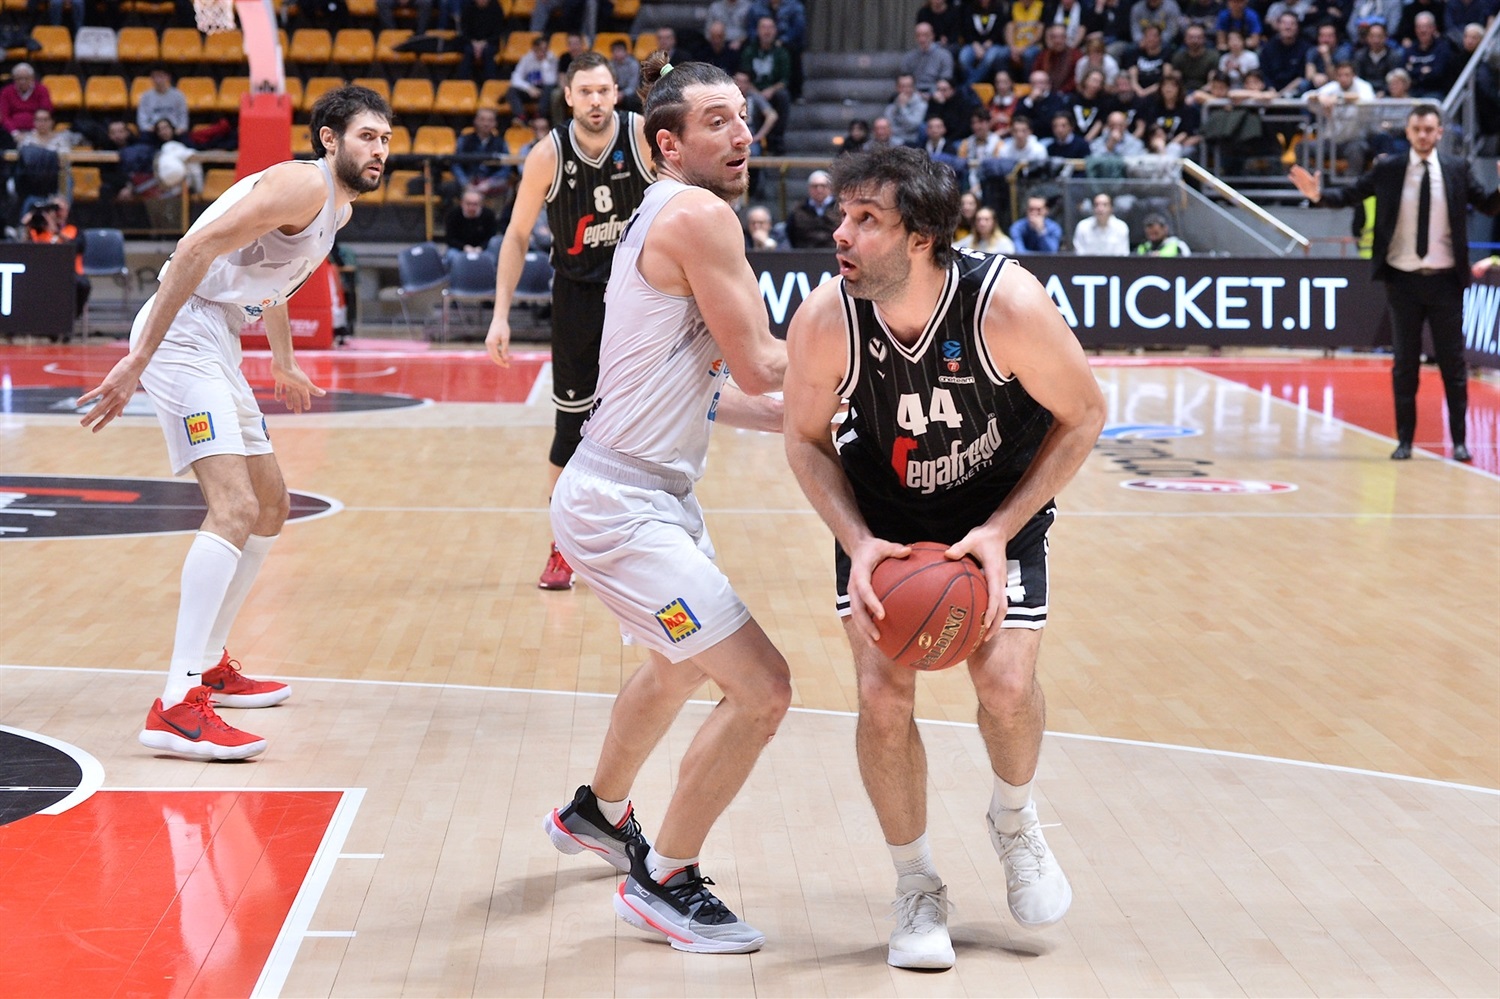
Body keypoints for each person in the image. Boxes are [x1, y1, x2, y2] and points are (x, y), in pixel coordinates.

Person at [781, 145, 1105, 971]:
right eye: (842, 216)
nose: (840, 234)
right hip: (883, 522)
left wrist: (1000, 530)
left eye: (866, 221)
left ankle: (1015, 820)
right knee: (881, 697)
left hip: (997, 511)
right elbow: (805, 441)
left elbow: (1086, 415)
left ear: (922, 236)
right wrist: (856, 542)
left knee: (1002, 685)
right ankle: (915, 883)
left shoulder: (1007, 306)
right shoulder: (826, 318)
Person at [542, 55, 790, 955]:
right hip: (620, 502)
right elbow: (765, 363)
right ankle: (665, 879)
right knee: (763, 688)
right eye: (719, 120)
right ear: (667, 143)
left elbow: (729, 390)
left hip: (642, 488)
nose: (743, 134)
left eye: (745, 117)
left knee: (678, 662)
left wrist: (830, 414)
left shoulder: (660, 211)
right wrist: (877, 367)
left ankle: (599, 814)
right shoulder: (698, 215)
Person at [75, 85, 392, 760]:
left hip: (216, 336)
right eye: (368, 136)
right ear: (331, 140)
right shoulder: (298, 185)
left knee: (272, 504)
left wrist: (282, 358)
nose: (380, 150)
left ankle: (211, 660)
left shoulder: (336, 206)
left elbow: (270, 284)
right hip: (181, 330)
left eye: (387, 139)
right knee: (233, 504)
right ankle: (175, 702)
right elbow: (194, 249)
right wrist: (140, 357)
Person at [485, 52, 654, 590]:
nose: (597, 101)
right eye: (586, 92)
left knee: (650, 428)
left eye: (604, 90)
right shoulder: (548, 154)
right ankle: (562, 547)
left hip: (642, 299)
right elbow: (515, 235)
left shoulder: (644, 135)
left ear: (616, 92)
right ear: (569, 96)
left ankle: (650, 539)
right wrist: (500, 316)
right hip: (578, 298)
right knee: (570, 432)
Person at [1289, 104, 1500, 462]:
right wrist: (1317, 196)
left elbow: (1487, 205)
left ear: (1440, 133)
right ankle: (1404, 440)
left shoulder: (1456, 169)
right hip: (1402, 280)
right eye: (1416, 129)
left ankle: (1460, 441)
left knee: (1452, 362)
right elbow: (1350, 195)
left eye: (1429, 129)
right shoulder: (1388, 168)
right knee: (1405, 363)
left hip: (1446, 280)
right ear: (1408, 131)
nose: (1422, 135)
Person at [449, 107, 511, 199]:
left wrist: (489, 183)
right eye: (482, 120)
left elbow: (506, 168)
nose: (486, 124)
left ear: (495, 123)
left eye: (490, 120)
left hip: (490, 182)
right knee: (449, 187)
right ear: (475, 121)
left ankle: (496, 214)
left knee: (505, 187)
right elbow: (456, 164)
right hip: (469, 179)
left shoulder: (501, 143)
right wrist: (465, 183)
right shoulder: (464, 140)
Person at [785, 169, 842, 248]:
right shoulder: (798, 210)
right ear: (809, 188)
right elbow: (791, 233)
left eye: (823, 186)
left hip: (833, 253)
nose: (819, 190)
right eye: (815, 186)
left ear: (830, 187)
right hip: (805, 255)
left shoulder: (840, 208)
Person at [509, 34, 559, 122]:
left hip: (544, 91)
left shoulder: (552, 59)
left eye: (545, 50)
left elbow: (551, 81)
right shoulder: (526, 59)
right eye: (539, 49)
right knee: (512, 91)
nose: (542, 52)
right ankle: (520, 117)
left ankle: (539, 116)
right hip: (530, 89)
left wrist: (544, 64)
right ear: (534, 49)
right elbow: (515, 78)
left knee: (550, 89)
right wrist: (528, 88)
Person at [444, 187, 498, 258]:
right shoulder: (453, 214)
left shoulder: (489, 215)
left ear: (481, 204)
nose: (471, 208)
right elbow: (449, 238)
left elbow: (491, 237)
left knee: (491, 257)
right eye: (468, 204)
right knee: (451, 256)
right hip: (459, 248)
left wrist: (481, 248)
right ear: (462, 203)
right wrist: (464, 247)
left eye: (475, 204)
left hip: (482, 249)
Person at [0, 63, 52, 136]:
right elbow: (4, 116)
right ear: (14, 79)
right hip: (11, 132)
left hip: (37, 131)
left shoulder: (42, 90)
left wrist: (35, 132)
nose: (22, 81)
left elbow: (46, 111)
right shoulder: (6, 92)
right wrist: (15, 133)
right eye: (19, 78)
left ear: (32, 78)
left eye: (26, 78)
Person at [137, 69, 189, 137]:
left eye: (161, 76)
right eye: (155, 77)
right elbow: (142, 118)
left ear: (168, 77)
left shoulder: (178, 95)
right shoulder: (146, 96)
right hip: (153, 131)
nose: (158, 80)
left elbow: (183, 116)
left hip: (174, 130)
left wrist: (180, 128)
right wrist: (149, 128)